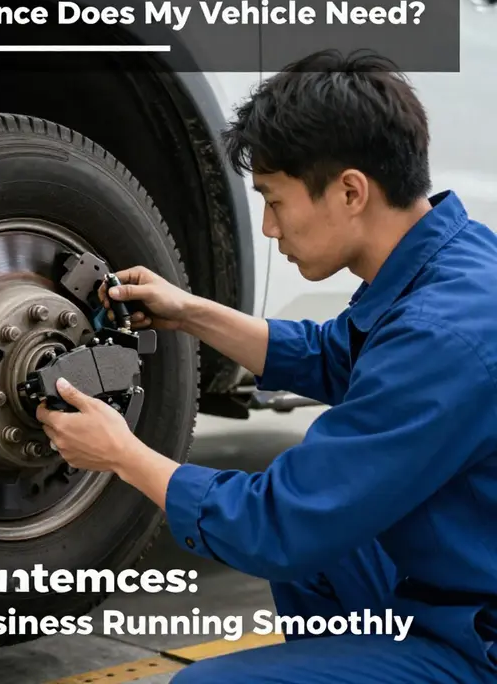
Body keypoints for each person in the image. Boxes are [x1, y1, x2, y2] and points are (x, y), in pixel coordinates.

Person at [35, 49, 497, 684]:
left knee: (205, 683)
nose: (268, 227)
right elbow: (337, 356)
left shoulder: (442, 335)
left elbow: (277, 525)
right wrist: (191, 312)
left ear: (350, 191)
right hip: (464, 580)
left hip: (480, 640)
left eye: (275, 200)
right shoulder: (456, 263)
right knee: (322, 546)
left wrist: (123, 455)